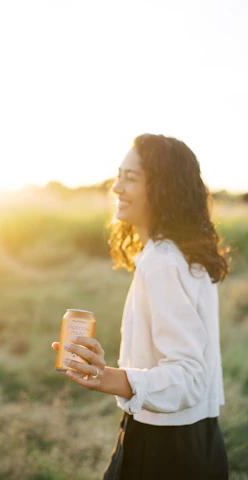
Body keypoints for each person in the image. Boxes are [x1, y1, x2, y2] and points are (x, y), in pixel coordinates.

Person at [52, 133, 229, 479]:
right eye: (118, 175)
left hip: (163, 448)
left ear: (164, 189)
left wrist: (105, 377)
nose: (116, 187)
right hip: (202, 440)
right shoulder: (184, 254)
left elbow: (190, 377)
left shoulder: (162, 261)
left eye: (130, 178)